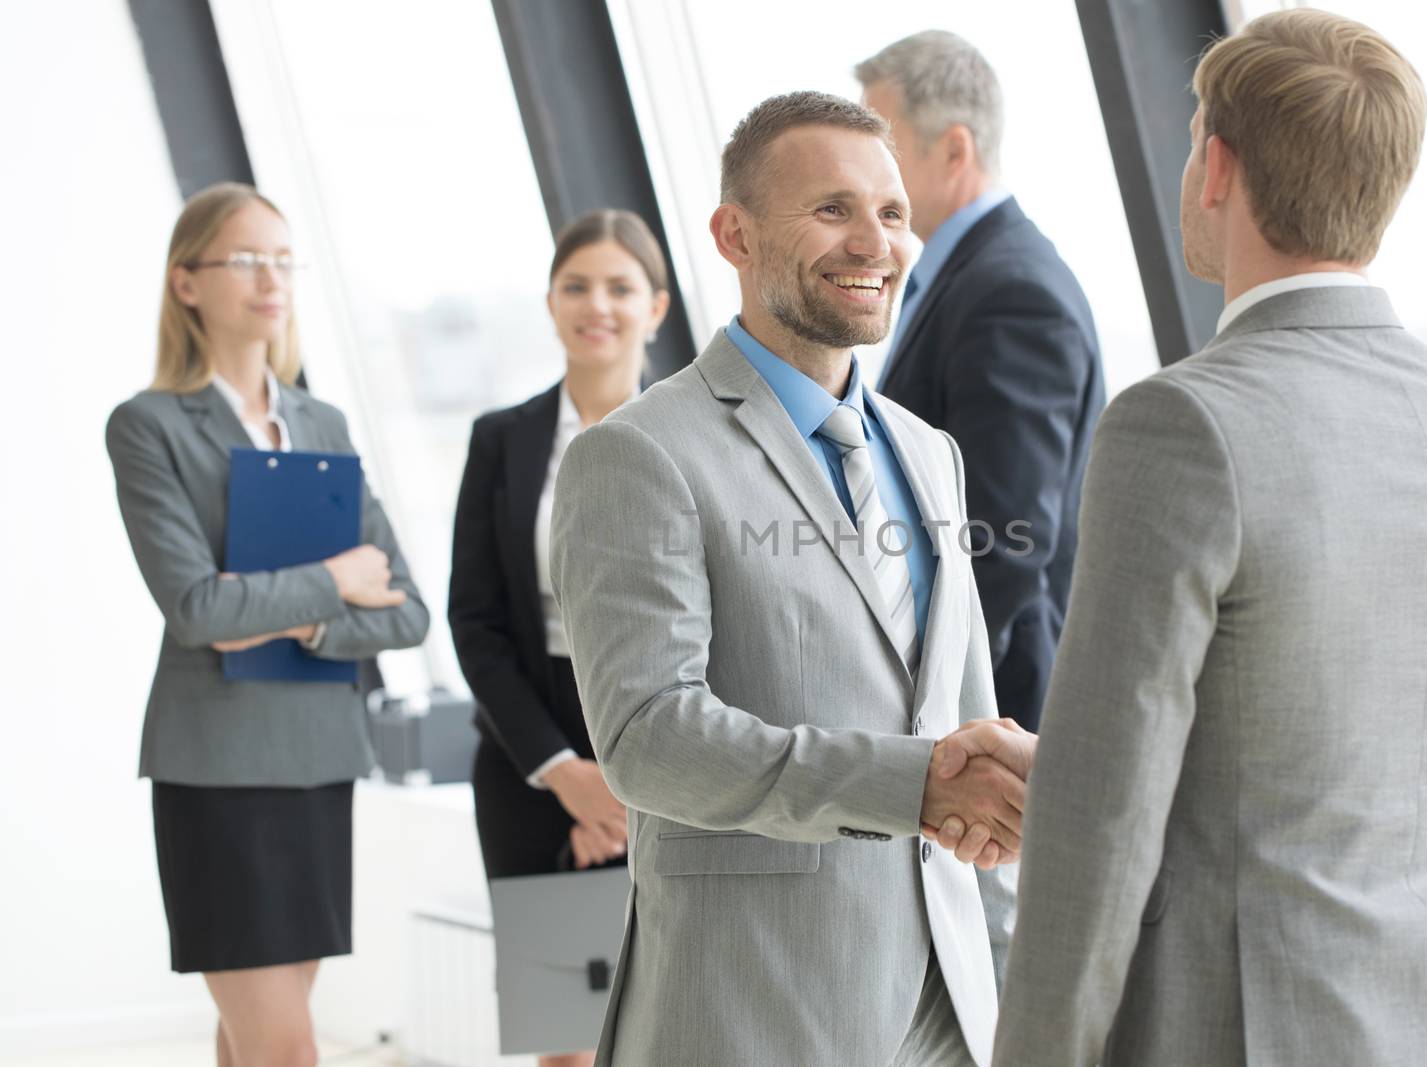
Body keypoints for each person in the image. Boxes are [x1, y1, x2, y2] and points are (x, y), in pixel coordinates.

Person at [992, 11, 1427, 1065]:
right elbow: (1331, 750)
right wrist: (1054, 762)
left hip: (1245, 1029)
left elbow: (1101, 826)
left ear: (1217, 168)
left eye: (1195, 130)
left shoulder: (1184, 423)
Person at [548, 92, 1037, 1067]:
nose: (874, 242)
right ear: (734, 234)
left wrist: (1004, 962)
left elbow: (962, 706)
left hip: (950, 1002)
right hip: (758, 1003)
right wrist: (916, 783)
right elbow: (650, 738)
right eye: (832, 209)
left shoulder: (927, 451)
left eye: (893, 213)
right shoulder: (639, 454)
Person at [106, 182, 430, 1067]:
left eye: (283, 260)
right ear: (186, 282)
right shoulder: (149, 426)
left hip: (318, 757)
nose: (271, 277)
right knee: (286, 1048)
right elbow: (201, 610)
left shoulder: (318, 420)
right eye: (246, 259)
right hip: (219, 769)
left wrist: (298, 620)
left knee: (252, 1039)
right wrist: (333, 580)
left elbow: (404, 609)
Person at [447, 209, 670, 1067]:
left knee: (668, 1019)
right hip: (526, 760)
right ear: (549, 302)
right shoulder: (501, 440)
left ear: (656, 305)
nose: (596, 305)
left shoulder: (701, 436)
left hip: (662, 761)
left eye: (620, 286)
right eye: (576, 285)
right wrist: (564, 775)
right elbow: (477, 620)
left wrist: (620, 790)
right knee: (564, 1039)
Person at [857, 31, 1105, 732]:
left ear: (955, 149)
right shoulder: (965, 275)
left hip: (988, 713)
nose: (866, 169)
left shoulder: (1011, 292)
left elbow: (1003, 541)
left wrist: (928, 711)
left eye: (885, 144)